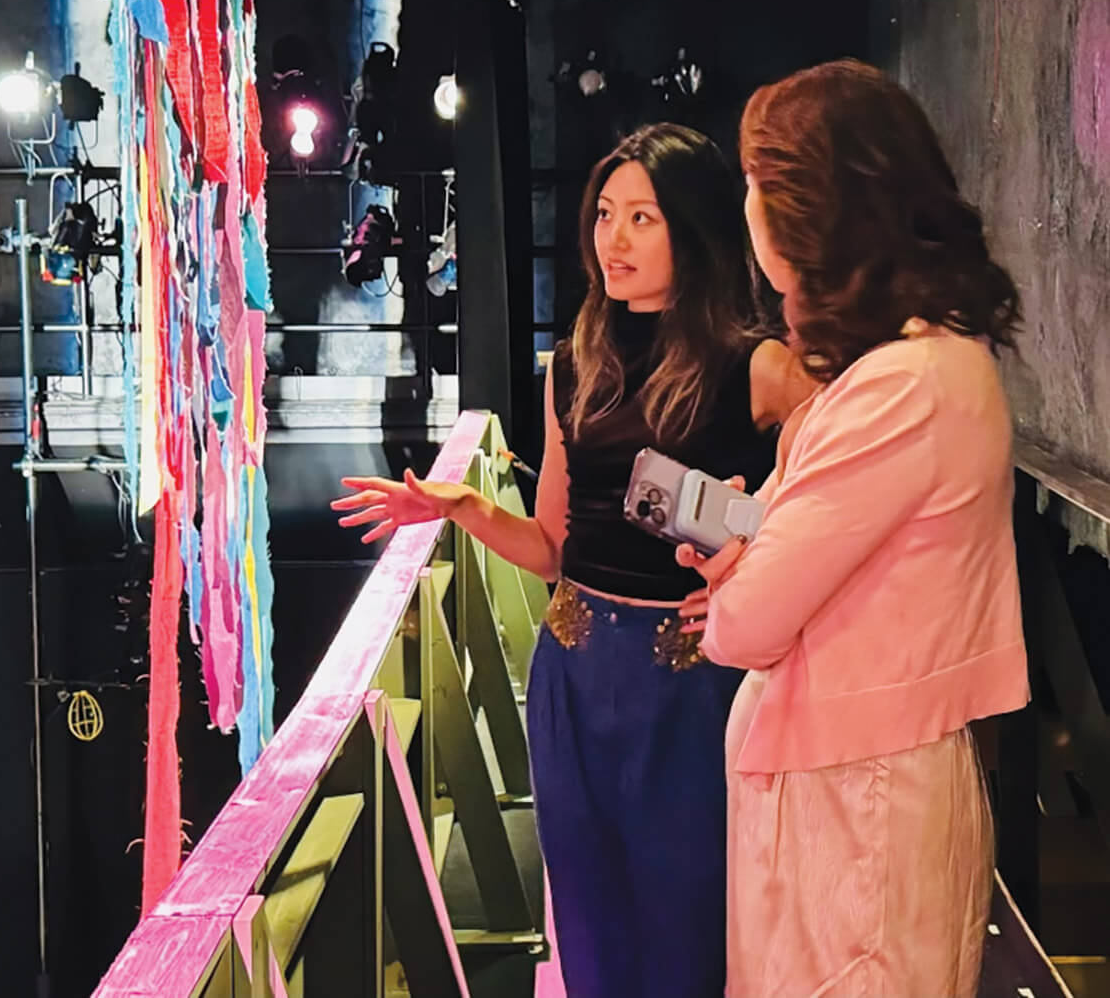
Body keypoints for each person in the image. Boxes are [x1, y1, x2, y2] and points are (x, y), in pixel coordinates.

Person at [332, 123, 814, 997]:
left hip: (693, 680)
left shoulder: (763, 366)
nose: (613, 239)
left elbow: (837, 484)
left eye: (643, 217)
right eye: (603, 214)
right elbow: (553, 545)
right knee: (589, 920)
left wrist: (763, 536)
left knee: (690, 917)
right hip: (574, 673)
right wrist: (462, 506)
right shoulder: (574, 362)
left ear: (695, 229)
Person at [676, 61, 1030, 997]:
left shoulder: (900, 386)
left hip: (855, 809)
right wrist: (753, 576)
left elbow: (749, 626)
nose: (752, 215)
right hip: (856, 787)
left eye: (764, 188)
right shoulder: (918, 365)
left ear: (818, 213)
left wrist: (742, 592)